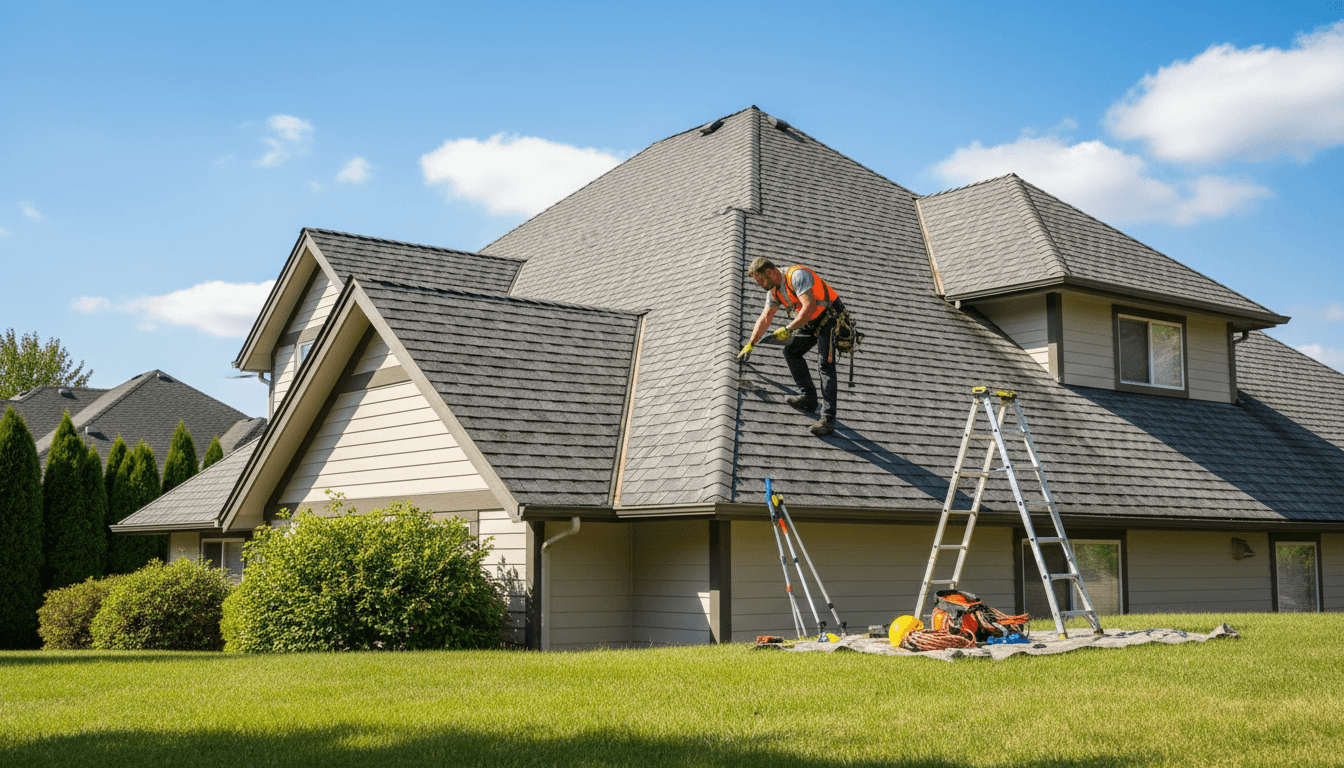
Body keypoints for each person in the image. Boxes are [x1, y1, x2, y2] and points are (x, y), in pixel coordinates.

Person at [736, 257, 849, 437]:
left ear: (772, 271)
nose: (760, 284)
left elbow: (809, 306)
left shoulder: (797, 276)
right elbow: (765, 318)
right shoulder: (774, 291)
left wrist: (789, 329)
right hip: (811, 321)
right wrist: (751, 343)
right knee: (791, 352)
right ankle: (809, 399)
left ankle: (828, 420)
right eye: (757, 282)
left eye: (761, 280)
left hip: (831, 319)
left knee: (825, 366)